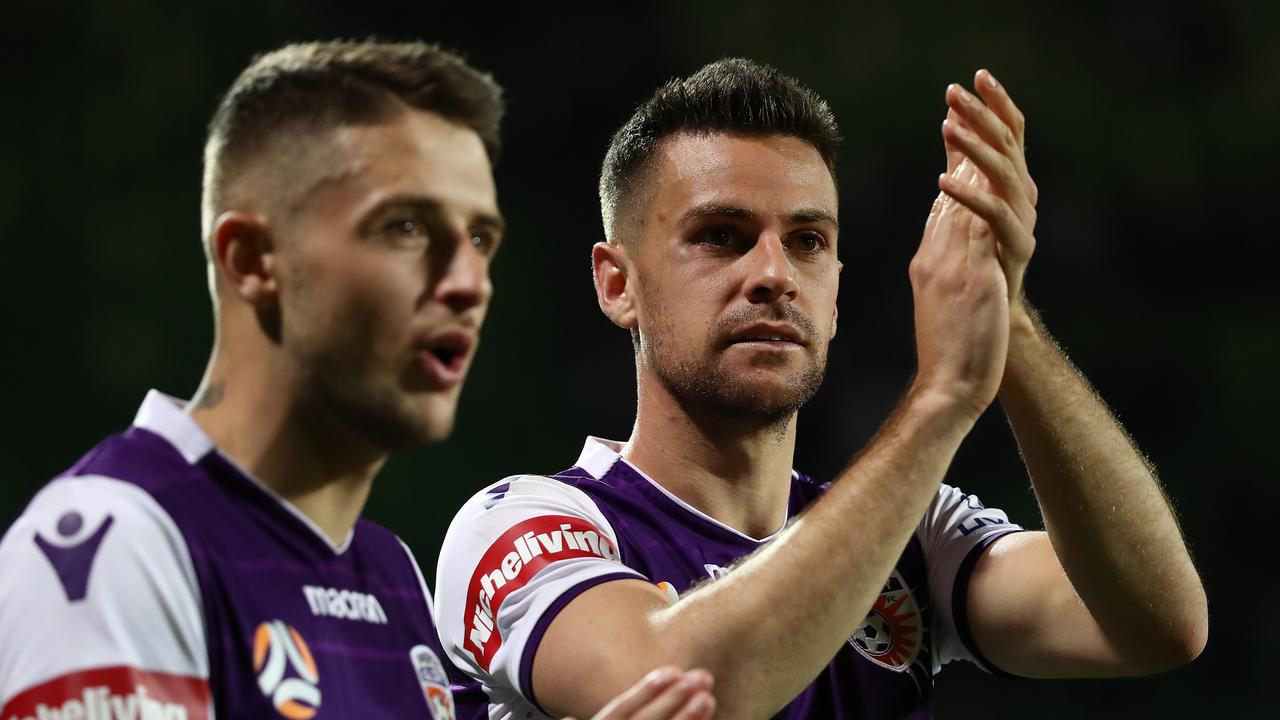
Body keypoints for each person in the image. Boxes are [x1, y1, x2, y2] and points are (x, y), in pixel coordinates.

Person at [434, 59, 1209, 719]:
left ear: (835, 292)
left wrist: (1011, 322)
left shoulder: (913, 539)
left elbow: (1159, 625)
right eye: (721, 236)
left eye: (808, 242)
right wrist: (941, 400)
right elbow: (680, 689)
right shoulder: (524, 524)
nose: (773, 275)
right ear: (617, 284)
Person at [0, 41, 713, 720]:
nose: (469, 284)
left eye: (479, 240)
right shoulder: (117, 542)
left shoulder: (389, 572)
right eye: (405, 227)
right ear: (251, 260)